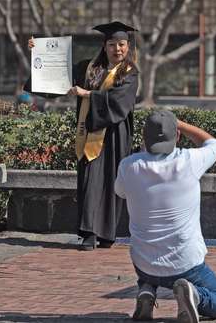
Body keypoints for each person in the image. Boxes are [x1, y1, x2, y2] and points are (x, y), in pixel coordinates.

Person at [26, 21, 139, 250]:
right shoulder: (89, 68)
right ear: (104, 46)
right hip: (89, 132)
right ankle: (88, 234)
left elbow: (119, 103)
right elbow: (57, 76)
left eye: (122, 44)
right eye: (112, 44)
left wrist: (88, 93)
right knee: (90, 181)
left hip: (115, 134)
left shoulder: (129, 72)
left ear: (128, 46)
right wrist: (37, 55)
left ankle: (107, 234)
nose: (118, 49)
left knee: (110, 182)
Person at [114, 109, 216, 323]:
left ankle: (146, 291)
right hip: (185, 265)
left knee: (148, 251)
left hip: (144, 265)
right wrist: (180, 123)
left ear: (144, 137)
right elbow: (215, 144)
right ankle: (193, 294)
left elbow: (119, 191)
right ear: (176, 136)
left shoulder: (128, 166)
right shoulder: (189, 161)